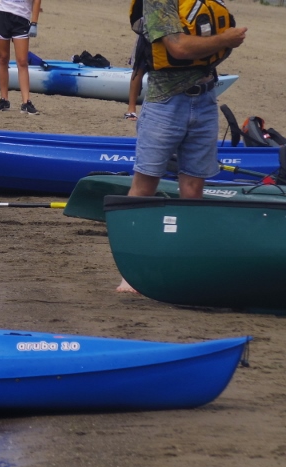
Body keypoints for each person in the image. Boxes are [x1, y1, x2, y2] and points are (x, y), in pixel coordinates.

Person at [117, 0, 247, 292]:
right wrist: (225, 39)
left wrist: (223, 40)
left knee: (193, 189)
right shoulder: (158, 2)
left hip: (205, 100)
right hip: (165, 103)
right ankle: (132, 273)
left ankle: (186, 263)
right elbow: (177, 48)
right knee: (145, 184)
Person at [0, 0, 42, 115]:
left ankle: (26, 102)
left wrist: (34, 23)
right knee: (3, 58)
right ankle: (4, 99)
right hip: (2, 14)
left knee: (22, 61)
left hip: (21, 18)